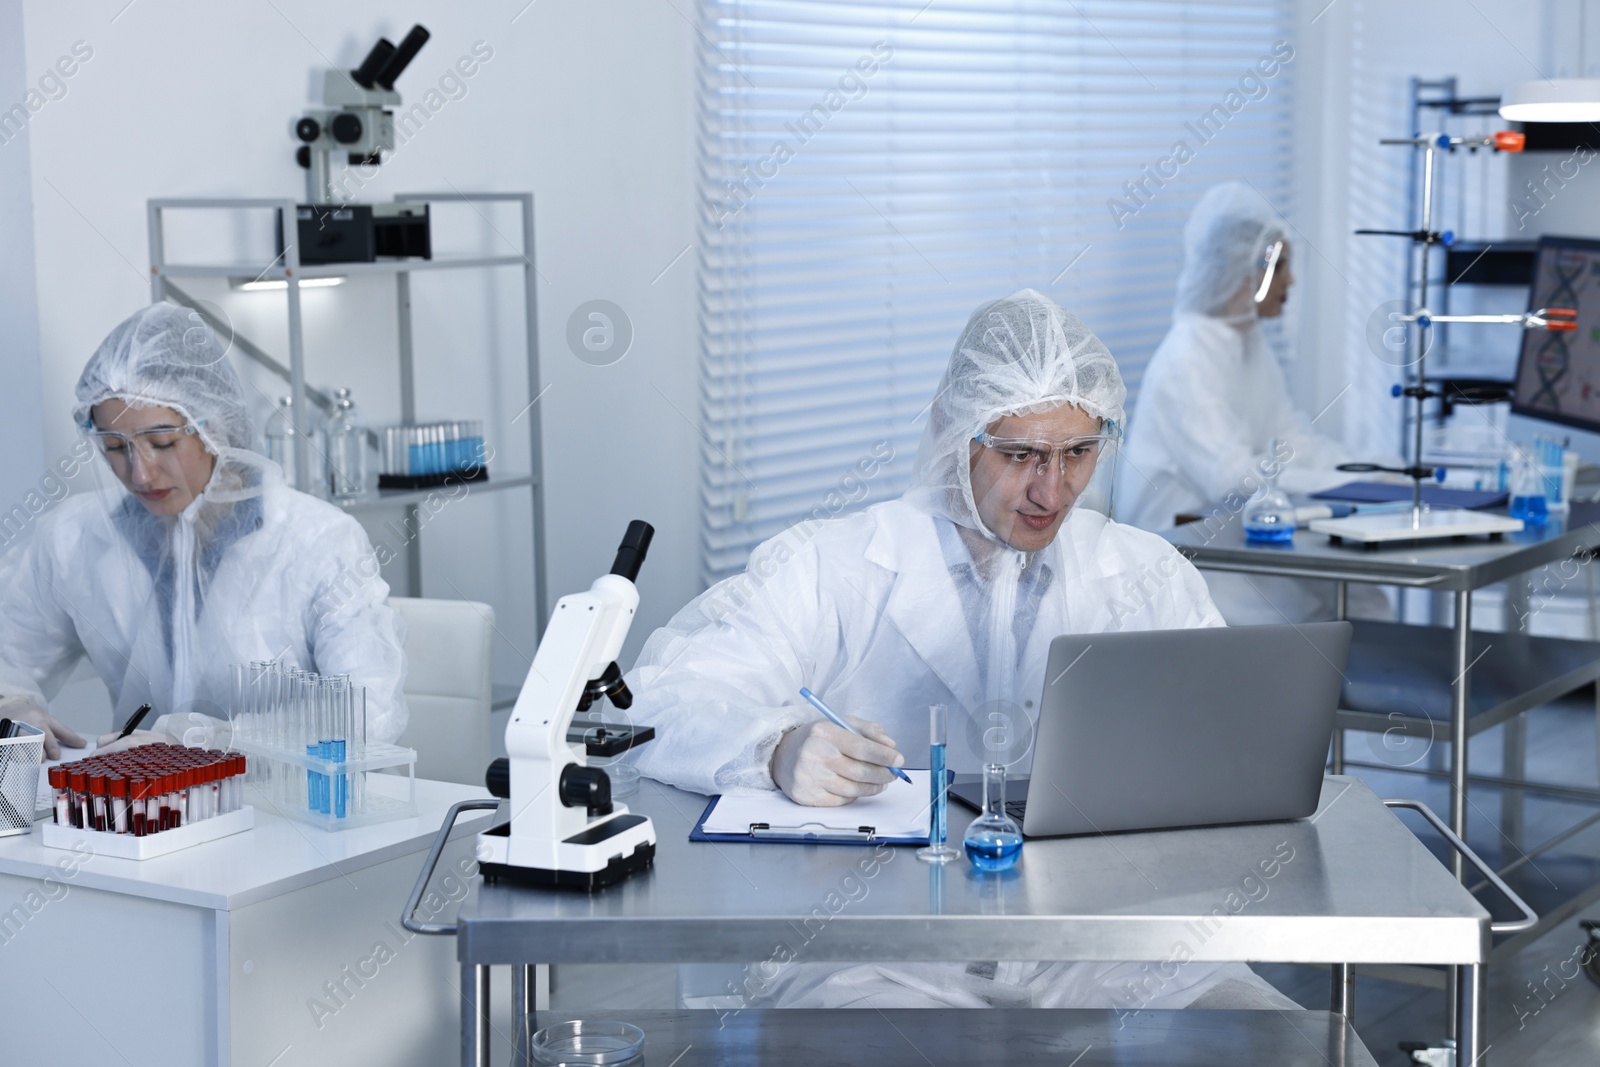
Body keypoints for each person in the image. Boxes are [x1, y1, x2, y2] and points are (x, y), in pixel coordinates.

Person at [627, 289, 1296, 1011]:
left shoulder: (1145, 573)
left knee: (1274, 1038)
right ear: (956, 432)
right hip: (880, 954)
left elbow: (1238, 747)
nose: (1053, 487)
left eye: (1078, 452)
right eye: (1021, 454)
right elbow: (653, 704)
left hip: (1104, 944)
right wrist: (776, 748)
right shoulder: (834, 566)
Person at [0, 303, 406, 759]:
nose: (141, 474)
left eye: (163, 443)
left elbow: (369, 712)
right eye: (115, 447)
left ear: (217, 425)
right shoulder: (74, 540)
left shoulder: (316, 542)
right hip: (148, 818)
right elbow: (8, 651)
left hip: (292, 813)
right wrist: (12, 704)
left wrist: (206, 742)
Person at [1117, 181, 1395, 624]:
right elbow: (1230, 478)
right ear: (1243, 271)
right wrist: (1335, 486)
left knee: (1365, 600)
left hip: (1246, 539)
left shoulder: (1247, 343)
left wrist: (1369, 472)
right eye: (1280, 266)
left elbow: (1290, 440)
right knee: (1312, 614)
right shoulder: (1187, 359)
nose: (1291, 280)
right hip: (1190, 558)